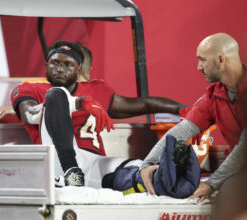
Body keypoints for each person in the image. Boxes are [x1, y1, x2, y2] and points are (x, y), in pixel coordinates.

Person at [11, 40, 185, 187]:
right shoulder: (29, 89)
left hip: (95, 162)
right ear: (46, 65)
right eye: (54, 63)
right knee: (57, 94)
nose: (60, 69)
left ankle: (178, 179)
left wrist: (183, 110)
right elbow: (31, 114)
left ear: (79, 69)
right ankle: (72, 172)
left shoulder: (96, 89)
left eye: (67, 64)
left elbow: (143, 104)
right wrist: (79, 102)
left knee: (140, 168)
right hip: (58, 163)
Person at [140, 33, 247, 203]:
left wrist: (212, 184)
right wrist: (147, 164)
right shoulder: (214, 95)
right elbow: (183, 130)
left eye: (202, 60)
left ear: (220, 59)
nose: (198, 67)